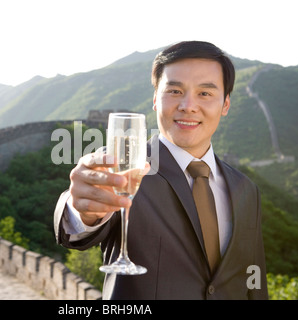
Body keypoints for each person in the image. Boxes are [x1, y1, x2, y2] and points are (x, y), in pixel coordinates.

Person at [53, 41, 268, 300]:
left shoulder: (247, 189)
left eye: (205, 93)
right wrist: (82, 209)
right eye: (175, 91)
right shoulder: (124, 167)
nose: (188, 105)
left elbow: (253, 278)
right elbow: (77, 225)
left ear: (225, 105)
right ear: (155, 99)